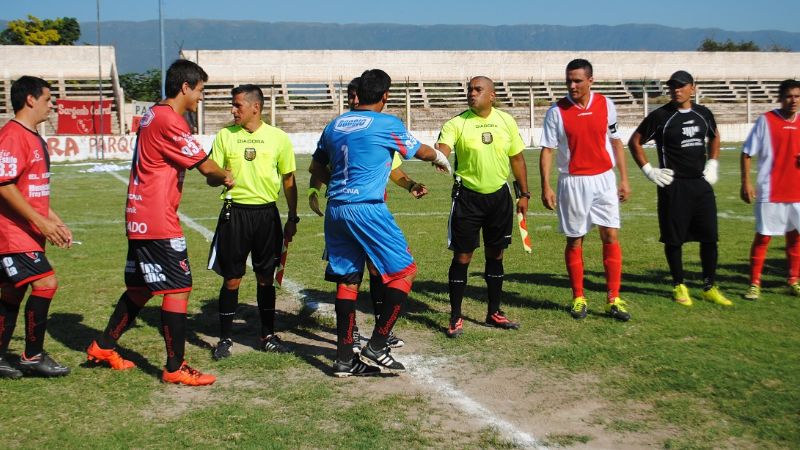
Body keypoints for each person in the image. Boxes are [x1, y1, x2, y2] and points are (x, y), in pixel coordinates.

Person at [86, 59, 233, 386]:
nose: (200, 98)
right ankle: (174, 366)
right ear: (185, 87)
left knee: (140, 289)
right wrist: (227, 176)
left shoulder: (153, 112)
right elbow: (207, 168)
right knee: (179, 289)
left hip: (139, 214)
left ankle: (103, 345)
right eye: (200, 90)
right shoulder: (171, 120)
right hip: (156, 218)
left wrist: (213, 175)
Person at [310, 68, 450, 377]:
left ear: (358, 94)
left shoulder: (336, 124)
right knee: (403, 272)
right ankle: (377, 342)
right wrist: (440, 158)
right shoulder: (387, 123)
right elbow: (419, 150)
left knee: (348, 281)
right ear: (386, 96)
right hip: (367, 208)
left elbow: (316, 167)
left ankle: (345, 358)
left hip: (336, 209)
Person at [207, 84, 298, 360]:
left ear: (255, 107)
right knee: (232, 278)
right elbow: (210, 177)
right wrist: (221, 176)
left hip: (266, 215)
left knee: (265, 278)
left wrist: (292, 216)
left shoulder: (278, 138)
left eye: (238, 106)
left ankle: (267, 335)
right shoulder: (225, 136)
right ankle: (224, 338)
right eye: (232, 106)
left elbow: (289, 180)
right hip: (235, 214)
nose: (233, 111)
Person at [436, 75, 529, 338]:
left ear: (492, 95)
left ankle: (494, 312)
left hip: (499, 198)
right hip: (468, 198)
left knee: (496, 255)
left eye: (478, 89)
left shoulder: (506, 121)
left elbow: (517, 158)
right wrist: (439, 156)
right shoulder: (457, 123)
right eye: (470, 89)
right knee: (463, 257)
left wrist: (524, 194)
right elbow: (443, 147)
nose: (472, 93)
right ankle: (455, 316)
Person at [629, 70, 731, 307]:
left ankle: (709, 286)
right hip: (673, 186)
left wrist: (713, 162)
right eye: (673, 86)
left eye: (682, 85)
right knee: (674, 239)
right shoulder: (661, 116)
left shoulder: (703, 114)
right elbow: (635, 141)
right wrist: (649, 170)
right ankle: (679, 285)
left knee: (709, 237)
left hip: (700, 184)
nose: (676, 90)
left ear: (693, 88)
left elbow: (714, 136)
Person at [540, 58, 631, 321]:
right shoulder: (556, 111)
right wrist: (546, 185)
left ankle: (614, 298)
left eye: (578, 80)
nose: (572, 85)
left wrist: (624, 178)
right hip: (572, 181)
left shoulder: (606, 104)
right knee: (575, 239)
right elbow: (547, 150)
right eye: (569, 80)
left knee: (610, 236)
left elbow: (615, 141)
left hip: (604, 179)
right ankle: (578, 297)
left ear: (591, 80)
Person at [0, 76, 72, 379]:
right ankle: (32, 355)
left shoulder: (33, 136)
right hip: (11, 233)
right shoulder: (12, 135)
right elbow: (4, 185)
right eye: (47, 98)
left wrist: (52, 219)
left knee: (11, 293)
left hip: (27, 231)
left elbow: (32, 189)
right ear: (30, 99)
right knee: (46, 284)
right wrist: (40, 221)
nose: (51, 104)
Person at [740, 79, 800, 300]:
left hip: (797, 191)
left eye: (797, 96)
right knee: (764, 237)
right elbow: (747, 153)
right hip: (770, 191)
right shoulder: (766, 120)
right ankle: (754, 283)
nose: (793, 100)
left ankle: (794, 280)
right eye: (789, 96)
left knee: (795, 237)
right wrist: (745, 182)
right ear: (780, 98)